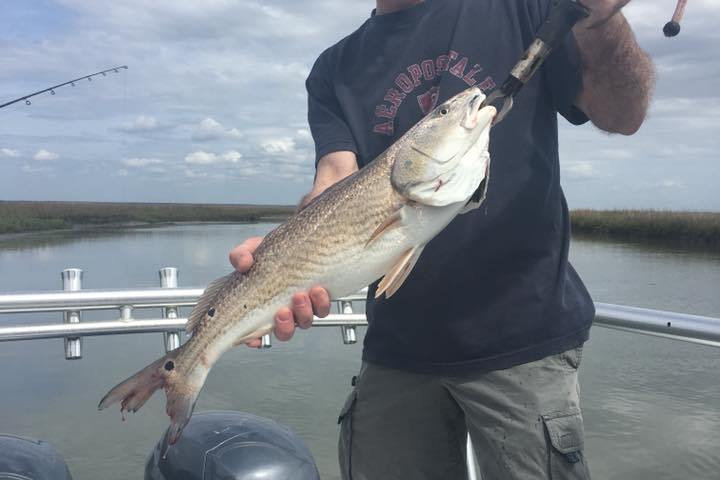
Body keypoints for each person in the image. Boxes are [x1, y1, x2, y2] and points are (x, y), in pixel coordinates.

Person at [230, 0, 654, 478]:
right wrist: (284, 251)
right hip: (395, 350)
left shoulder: (522, 8)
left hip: (524, 341)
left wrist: (601, 20)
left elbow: (624, 115)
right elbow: (334, 179)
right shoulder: (333, 68)